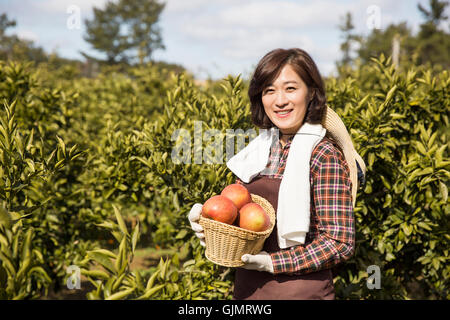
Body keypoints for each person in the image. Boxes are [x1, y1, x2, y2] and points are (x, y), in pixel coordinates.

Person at [188, 48, 366, 300]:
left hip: (302, 293)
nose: (279, 100)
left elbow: (339, 242)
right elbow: (238, 216)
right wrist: (209, 223)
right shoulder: (257, 151)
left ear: (311, 93)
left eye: (290, 88)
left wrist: (272, 263)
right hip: (248, 292)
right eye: (269, 90)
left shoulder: (322, 154)